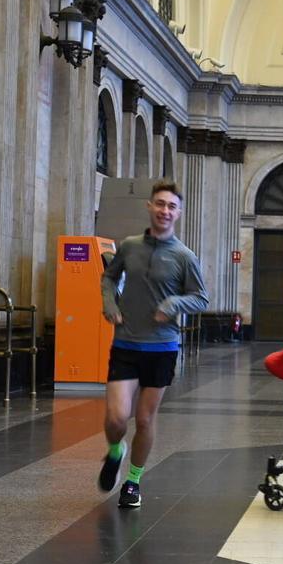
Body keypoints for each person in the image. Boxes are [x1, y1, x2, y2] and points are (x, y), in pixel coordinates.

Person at [99, 180, 209, 508]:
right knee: (117, 417)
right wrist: (110, 304)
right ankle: (115, 450)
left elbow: (201, 298)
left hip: (162, 348)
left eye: (171, 206)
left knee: (145, 420)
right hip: (127, 343)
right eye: (160, 204)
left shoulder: (184, 256)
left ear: (178, 213)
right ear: (149, 206)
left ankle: (133, 481)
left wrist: (174, 304)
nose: (165, 211)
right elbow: (108, 277)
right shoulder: (130, 246)